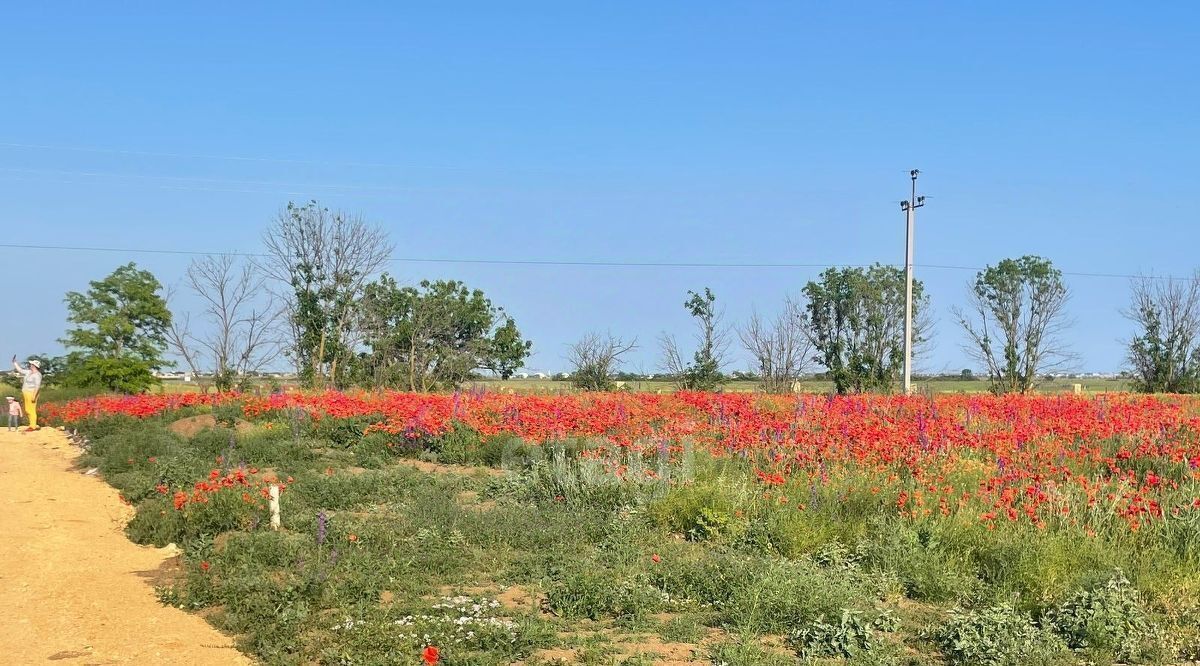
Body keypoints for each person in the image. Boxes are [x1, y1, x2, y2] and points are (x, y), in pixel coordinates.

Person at [11, 356, 41, 431]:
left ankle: (33, 426)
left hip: (32, 393)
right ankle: (31, 424)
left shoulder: (37, 375)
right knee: (27, 409)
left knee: (31, 409)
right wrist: (15, 363)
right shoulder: (29, 372)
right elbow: (20, 370)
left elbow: (37, 386)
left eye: (31, 364)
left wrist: (34, 396)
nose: (30, 365)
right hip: (26, 393)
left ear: (34, 366)